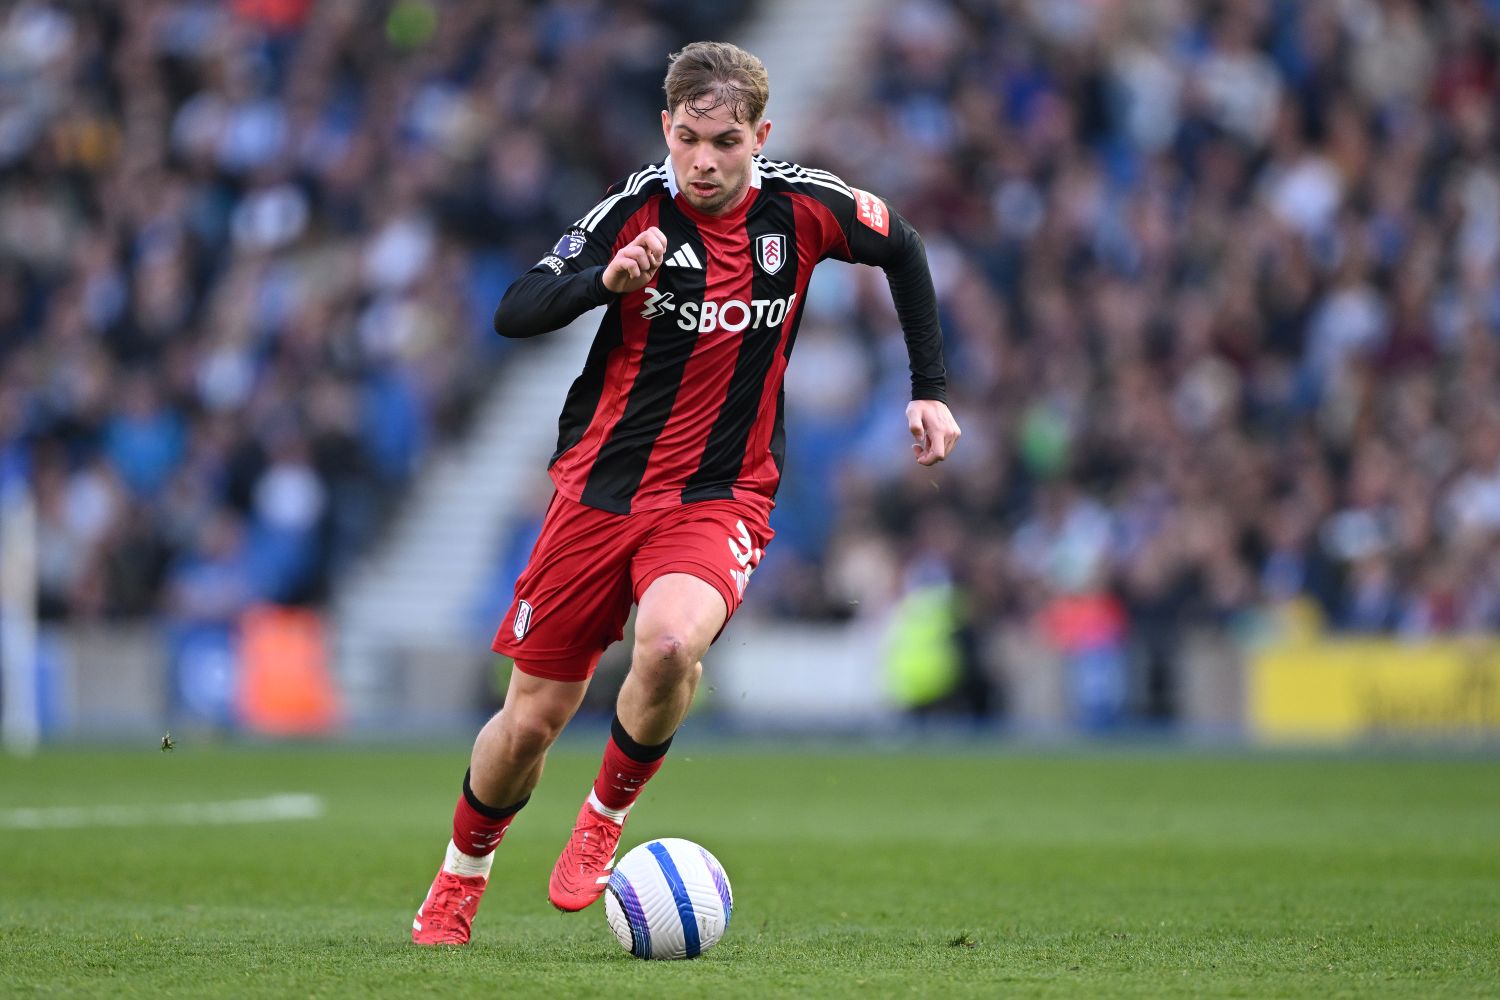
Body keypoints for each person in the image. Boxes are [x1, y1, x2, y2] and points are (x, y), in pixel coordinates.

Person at [411, 40, 961, 946]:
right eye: (690, 140)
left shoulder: (805, 207)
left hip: (722, 493)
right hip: (598, 494)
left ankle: (602, 821)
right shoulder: (635, 208)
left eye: (727, 142)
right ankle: (460, 878)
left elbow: (903, 247)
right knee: (529, 723)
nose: (705, 162)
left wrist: (930, 388)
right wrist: (606, 282)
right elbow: (515, 309)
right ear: (667, 128)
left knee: (668, 645)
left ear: (761, 136)